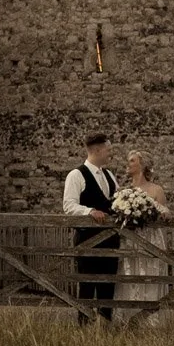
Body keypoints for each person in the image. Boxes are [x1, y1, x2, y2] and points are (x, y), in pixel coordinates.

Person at [62, 133, 121, 322]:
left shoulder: (109, 175)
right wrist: (89, 211)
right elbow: (69, 206)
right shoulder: (76, 175)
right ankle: (84, 329)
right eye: (108, 149)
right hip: (88, 240)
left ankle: (105, 327)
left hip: (111, 240)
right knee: (86, 286)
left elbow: (118, 201)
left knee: (108, 286)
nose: (110, 153)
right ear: (97, 150)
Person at [113, 150, 171, 325]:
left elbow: (165, 211)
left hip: (150, 240)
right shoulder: (124, 192)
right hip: (130, 241)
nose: (128, 164)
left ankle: (148, 322)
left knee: (149, 276)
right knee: (128, 275)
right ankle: (126, 321)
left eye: (132, 161)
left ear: (142, 165)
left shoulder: (156, 189)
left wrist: (165, 213)